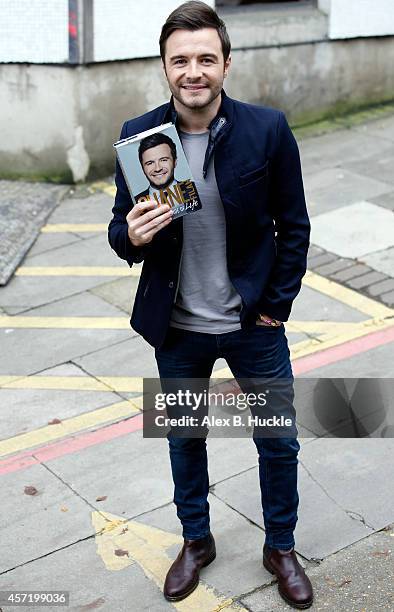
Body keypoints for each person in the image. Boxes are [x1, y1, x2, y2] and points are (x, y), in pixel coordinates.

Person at [108, 1, 313, 608]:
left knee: (278, 439)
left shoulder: (267, 129)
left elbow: (294, 224)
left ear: (226, 64)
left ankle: (281, 545)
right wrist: (132, 238)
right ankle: (196, 541)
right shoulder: (139, 137)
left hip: (253, 323)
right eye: (180, 60)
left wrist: (276, 306)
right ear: (164, 68)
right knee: (183, 438)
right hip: (177, 327)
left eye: (205, 58)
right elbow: (120, 230)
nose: (192, 71)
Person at [135, 132, 179, 202]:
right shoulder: (135, 201)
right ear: (142, 167)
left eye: (163, 160)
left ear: (175, 162)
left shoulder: (194, 189)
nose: (158, 168)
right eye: (150, 163)